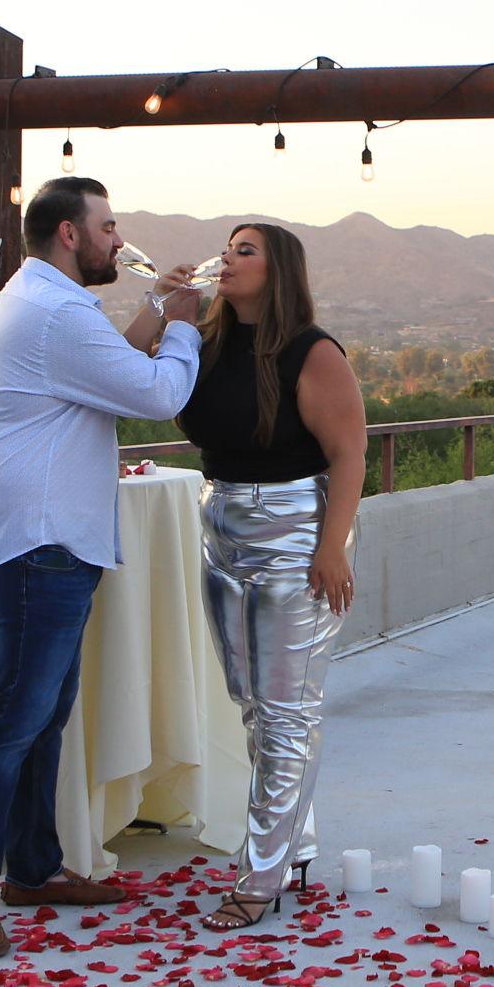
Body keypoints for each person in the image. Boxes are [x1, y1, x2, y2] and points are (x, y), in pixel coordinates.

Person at [0, 177, 205, 958]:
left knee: (39, 721)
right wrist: (184, 326)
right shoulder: (58, 313)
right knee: (10, 726)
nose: (118, 239)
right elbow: (156, 394)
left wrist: (156, 305)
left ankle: (32, 871)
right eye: (108, 226)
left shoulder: (41, 302)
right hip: (36, 548)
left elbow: (109, 365)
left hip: (34, 545)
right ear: (69, 234)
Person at [175, 221, 369, 930]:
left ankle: (260, 878)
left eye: (244, 250)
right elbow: (128, 371)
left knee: (287, 710)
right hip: (220, 525)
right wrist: (167, 305)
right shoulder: (204, 342)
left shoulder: (311, 352)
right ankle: (296, 844)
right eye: (227, 247)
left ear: (277, 269)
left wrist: (332, 546)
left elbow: (349, 453)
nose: (227, 257)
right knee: (252, 702)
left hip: (294, 532)